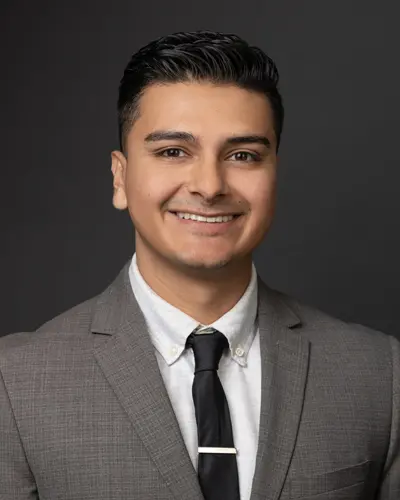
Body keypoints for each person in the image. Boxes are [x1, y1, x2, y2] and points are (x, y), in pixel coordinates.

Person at [0, 30, 398, 500]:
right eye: (173, 151)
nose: (209, 186)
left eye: (243, 155)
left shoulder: (382, 375)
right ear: (120, 176)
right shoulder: (14, 384)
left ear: (274, 176)